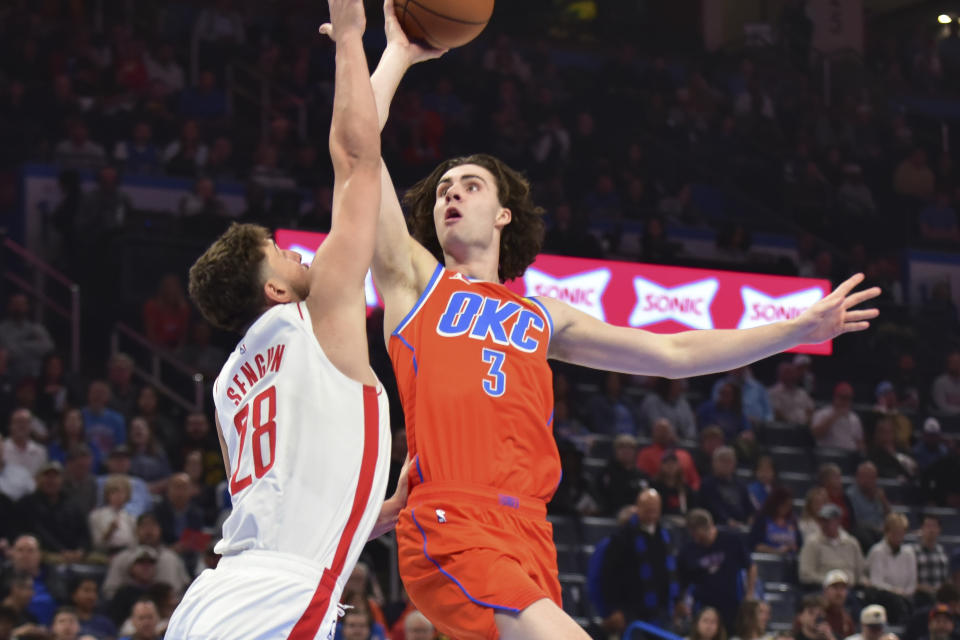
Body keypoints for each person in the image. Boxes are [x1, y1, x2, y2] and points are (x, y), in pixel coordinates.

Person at [364, 0, 879, 635]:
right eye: (444, 188)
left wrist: (796, 331)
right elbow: (357, 152)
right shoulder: (417, 286)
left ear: (502, 215)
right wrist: (396, 54)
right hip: (453, 521)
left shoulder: (540, 317)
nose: (450, 193)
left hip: (529, 529)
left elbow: (676, 355)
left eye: (469, 185)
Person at [166, 3, 406, 639]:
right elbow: (356, 160)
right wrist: (354, 40)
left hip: (215, 596)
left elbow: (276, 505)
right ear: (275, 288)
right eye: (282, 251)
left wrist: (379, 514)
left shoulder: (226, 388)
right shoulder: (315, 312)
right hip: (276, 598)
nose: (300, 253)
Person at [598, 489, 679, 634]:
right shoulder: (622, 537)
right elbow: (609, 575)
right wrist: (614, 609)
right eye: (648, 509)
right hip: (632, 611)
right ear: (638, 508)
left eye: (655, 509)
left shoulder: (667, 534)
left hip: (663, 610)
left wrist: (677, 600)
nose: (652, 513)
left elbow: (673, 571)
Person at [679, 509, 756, 634]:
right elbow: (682, 581)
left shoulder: (731, 540)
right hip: (703, 608)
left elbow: (751, 567)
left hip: (731, 606)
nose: (694, 537)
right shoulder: (688, 550)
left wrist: (749, 594)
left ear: (706, 527)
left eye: (695, 532)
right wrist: (681, 602)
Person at [865, 513, 917, 624]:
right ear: (887, 532)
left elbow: (912, 583)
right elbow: (876, 582)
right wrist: (896, 592)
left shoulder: (909, 553)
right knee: (894, 601)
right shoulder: (877, 551)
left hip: (905, 597)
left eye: (901, 532)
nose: (898, 536)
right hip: (883, 597)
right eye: (895, 532)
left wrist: (905, 593)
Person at [799, 504, 866, 588]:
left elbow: (860, 573)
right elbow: (805, 575)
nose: (824, 524)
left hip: (850, 589)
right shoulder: (812, 543)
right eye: (822, 521)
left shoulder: (851, 543)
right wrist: (832, 582)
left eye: (828, 520)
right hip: (822, 589)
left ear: (838, 521)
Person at [811, 383, 864, 453]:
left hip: (850, 456)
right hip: (829, 454)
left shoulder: (855, 418)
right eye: (843, 398)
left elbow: (859, 442)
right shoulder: (821, 413)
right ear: (835, 397)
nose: (845, 402)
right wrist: (835, 415)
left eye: (848, 398)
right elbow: (816, 435)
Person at [749, 486, 801, 555]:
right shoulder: (762, 519)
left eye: (789, 505)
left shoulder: (793, 519)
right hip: (767, 562)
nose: (786, 508)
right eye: (783, 505)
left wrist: (792, 547)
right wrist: (776, 551)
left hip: (791, 562)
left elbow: (799, 544)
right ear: (775, 503)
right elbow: (754, 545)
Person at [913, 515, 950, 606]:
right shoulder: (913, 552)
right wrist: (926, 589)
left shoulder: (943, 552)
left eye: (934, 526)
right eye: (928, 526)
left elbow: (947, 579)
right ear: (922, 528)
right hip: (920, 596)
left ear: (939, 529)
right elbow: (908, 580)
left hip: (941, 597)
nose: (931, 530)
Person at [822, 570, 856, 639]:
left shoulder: (847, 619)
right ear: (825, 591)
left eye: (842, 588)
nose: (839, 592)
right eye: (835, 587)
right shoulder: (815, 614)